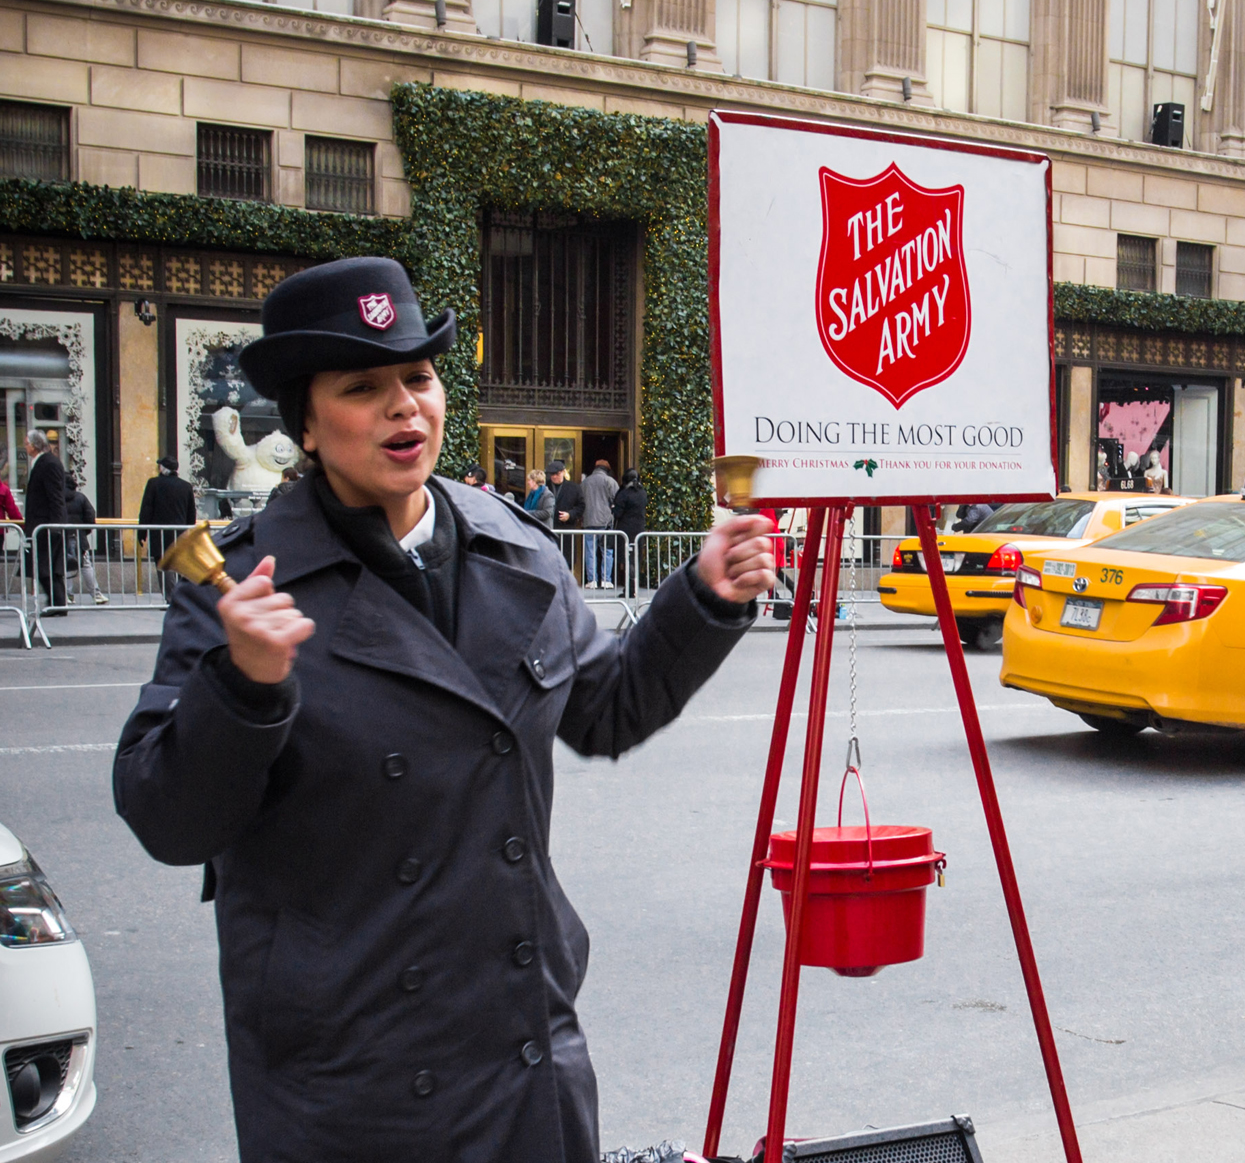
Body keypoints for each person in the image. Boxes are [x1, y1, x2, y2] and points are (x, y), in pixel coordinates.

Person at [111, 256, 775, 1163]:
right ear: (306, 424)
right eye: (362, 386)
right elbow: (168, 817)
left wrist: (701, 597)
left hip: (521, 1048)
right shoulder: (242, 581)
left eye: (418, 378)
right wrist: (244, 682)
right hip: (347, 1077)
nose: (404, 406)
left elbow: (607, 710)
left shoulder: (516, 547)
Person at [23, 430, 67, 617]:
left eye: (26, 443)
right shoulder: (43, 462)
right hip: (42, 523)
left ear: (34, 445)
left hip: (46, 524)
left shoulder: (48, 463)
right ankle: (57, 604)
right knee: (46, 567)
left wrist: (55, 525)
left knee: (45, 567)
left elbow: (55, 496)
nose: (25, 446)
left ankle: (57, 604)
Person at [138, 456, 198, 595]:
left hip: (159, 532)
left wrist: (142, 533)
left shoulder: (154, 483)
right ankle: (181, 595)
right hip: (179, 532)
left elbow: (146, 509)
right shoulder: (186, 486)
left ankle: (170, 596)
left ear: (163, 468)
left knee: (163, 564)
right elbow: (191, 513)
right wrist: (187, 529)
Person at [64, 473, 108, 605]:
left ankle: (67, 595)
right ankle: (96, 594)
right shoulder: (81, 498)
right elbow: (90, 516)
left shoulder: (57, 498)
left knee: (64, 566)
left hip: (61, 536)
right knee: (86, 565)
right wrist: (84, 531)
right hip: (79, 537)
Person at [580, 459, 617, 589]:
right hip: (605, 521)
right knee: (607, 551)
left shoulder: (585, 482)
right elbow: (616, 500)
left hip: (589, 521)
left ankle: (592, 580)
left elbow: (581, 501)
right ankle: (606, 579)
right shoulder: (610, 481)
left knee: (590, 551)